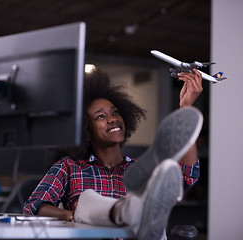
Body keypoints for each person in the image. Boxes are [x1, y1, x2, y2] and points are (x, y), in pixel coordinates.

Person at [23, 68, 203, 238]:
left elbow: (186, 177)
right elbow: (33, 206)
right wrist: (72, 216)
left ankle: (139, 216)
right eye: (100, 116)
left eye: (115, 112)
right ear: (85, 130)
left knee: (156, 183)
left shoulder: (138, 169)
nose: (112, 119)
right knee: (87, 200)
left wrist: (186, 107)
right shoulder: (69, 167)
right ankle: (131, 212)